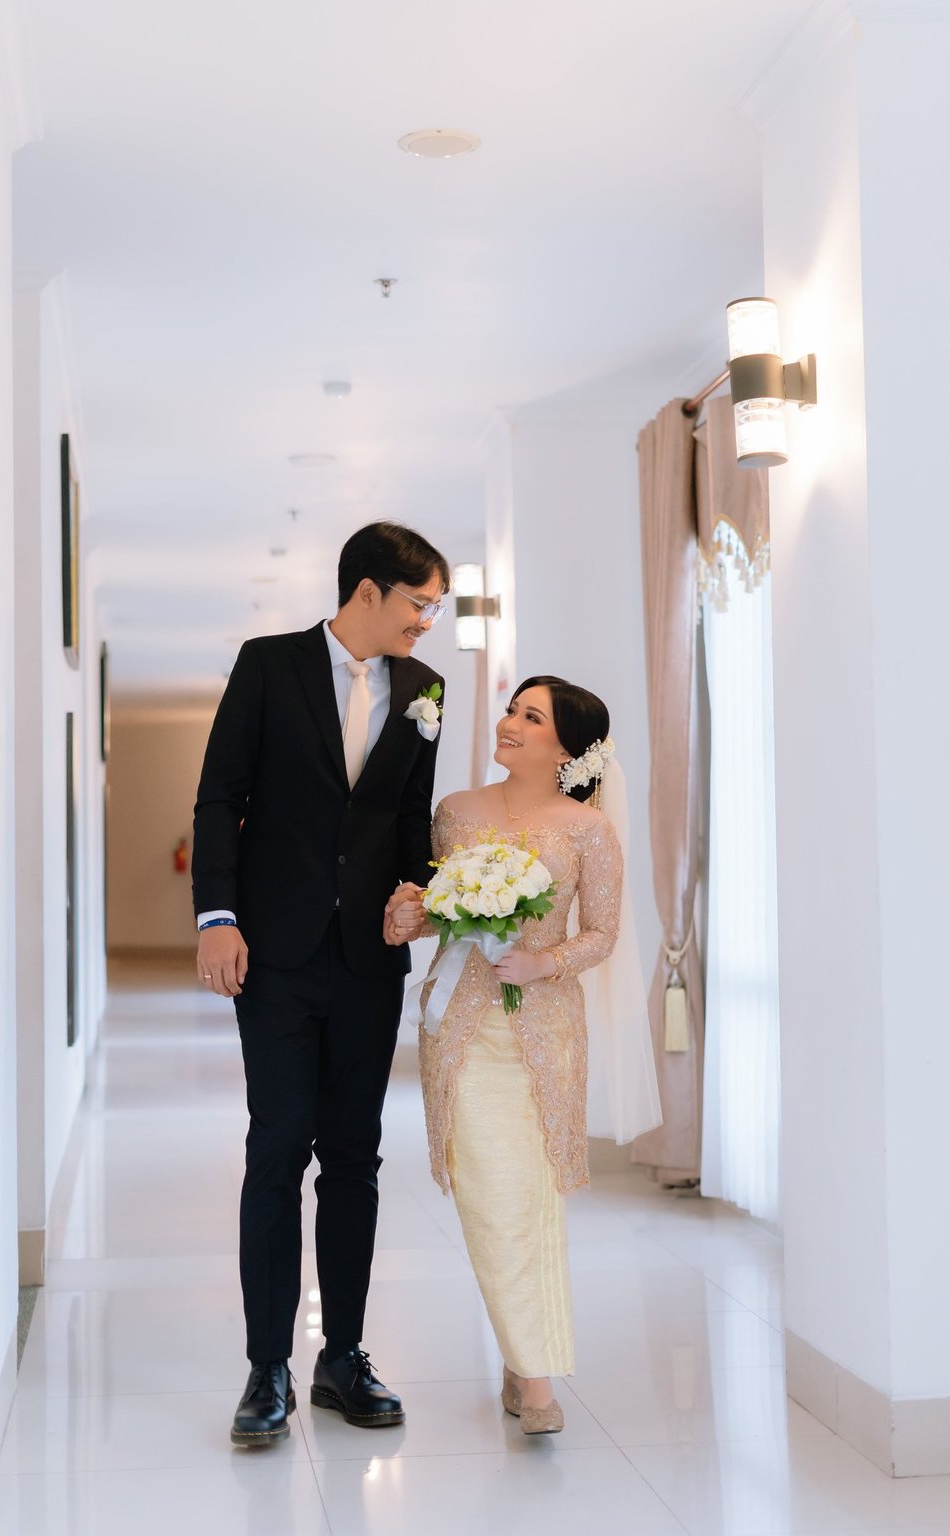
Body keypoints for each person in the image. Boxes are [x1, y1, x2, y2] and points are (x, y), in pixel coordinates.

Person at [192, 521, 450, 1446]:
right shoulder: (269, 664)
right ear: (368, 591)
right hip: (275, 955)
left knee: (353, 1157)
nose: (428, 622)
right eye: (420, 603)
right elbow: (220, 797)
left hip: (368, 961)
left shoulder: (425, 689)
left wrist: (415, 892)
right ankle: (267, 1366)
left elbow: (410, 818)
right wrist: (217, 918)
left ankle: (343, 1356)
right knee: (277, 1150)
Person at [387, 675, 661, 1435]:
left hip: (544, 1030)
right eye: (512, 709)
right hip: (460, 1024)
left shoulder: (588, 829)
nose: (509, 722)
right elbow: (436, 909)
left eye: (530, 716)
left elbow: (601, 934)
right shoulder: (456, 812)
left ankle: (529, 1374)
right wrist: (408, 915)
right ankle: (529, 1363)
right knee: (488, 1195)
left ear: (567, 749)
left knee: (530, 1195)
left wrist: (544, 962)